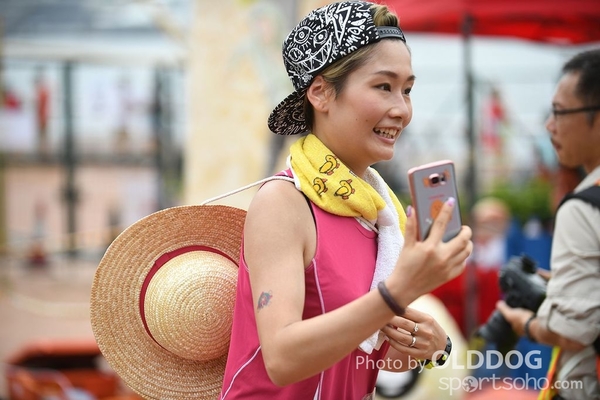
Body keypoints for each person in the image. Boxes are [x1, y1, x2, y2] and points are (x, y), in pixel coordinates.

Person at [220, 2, 473, 399]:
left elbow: (363, 356)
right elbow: (282, 358)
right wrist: (396, 293)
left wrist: (433, 346)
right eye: (384, 86)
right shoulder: (284, 201)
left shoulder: (381, 216)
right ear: (321, 93)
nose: (402, 109)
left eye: (407, 90)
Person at [497, 48, 600, 400]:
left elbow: (573, 331)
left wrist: (524, 324)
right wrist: (563, 284)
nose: (549, 125)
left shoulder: (583, 206)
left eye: (559, 111)